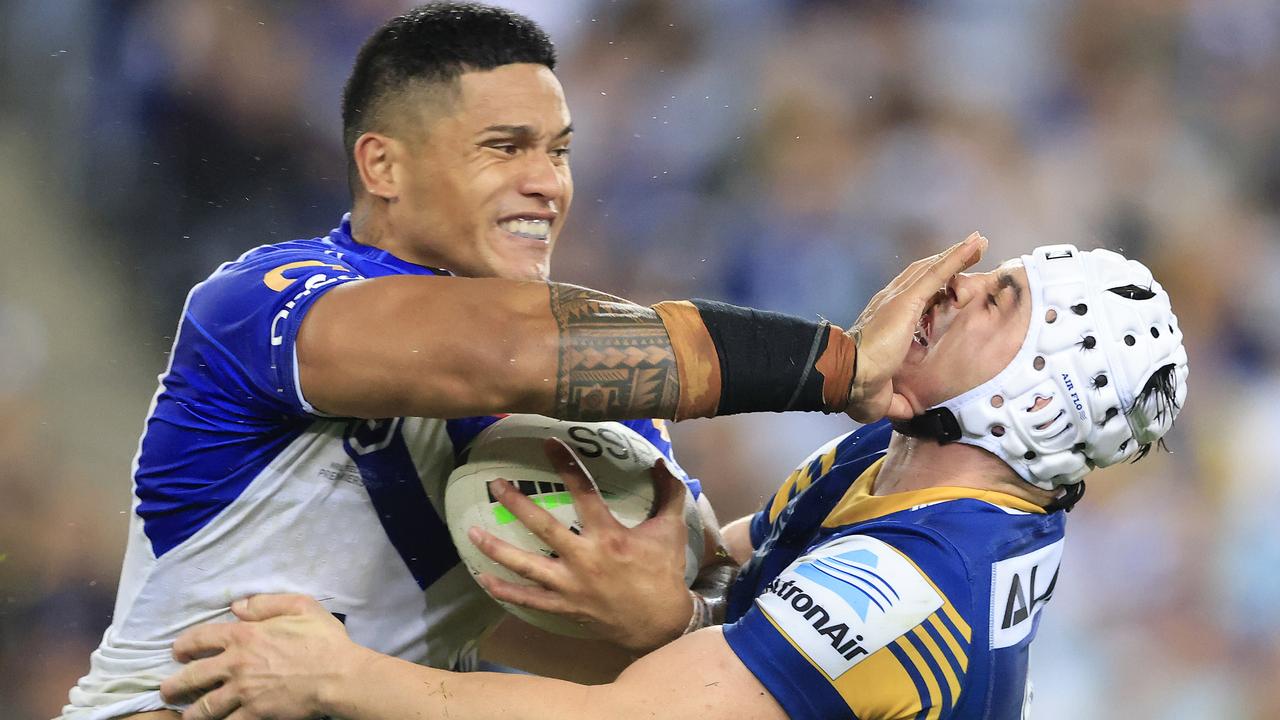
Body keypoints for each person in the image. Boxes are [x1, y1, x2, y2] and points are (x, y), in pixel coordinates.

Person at [61, 3, 986, 718]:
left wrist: (664, 619)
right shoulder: (265, 303)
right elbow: (497, 350)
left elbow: (668, 677)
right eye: (504, 148)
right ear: (382, 166)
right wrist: (837, 363)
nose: (547, 182)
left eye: (560, 151)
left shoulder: (588, 410)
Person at [159, 244, 1188, 719]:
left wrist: (335, 676)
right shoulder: (894, 461)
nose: (955, 280)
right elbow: (717, 571)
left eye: (998, 299)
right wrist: (678, 599)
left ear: (1038, 403)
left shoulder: (922, 583)